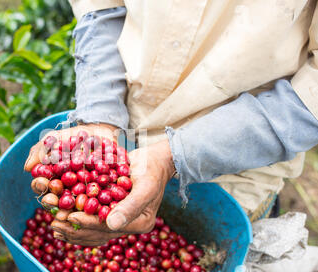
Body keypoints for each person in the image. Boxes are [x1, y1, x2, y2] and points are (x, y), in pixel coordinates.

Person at [24, 0, 318, 247]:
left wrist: (172, 157)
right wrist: (101, 118)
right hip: (125, 132)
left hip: (234, 182)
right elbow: (103, 7)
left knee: (209, 252)